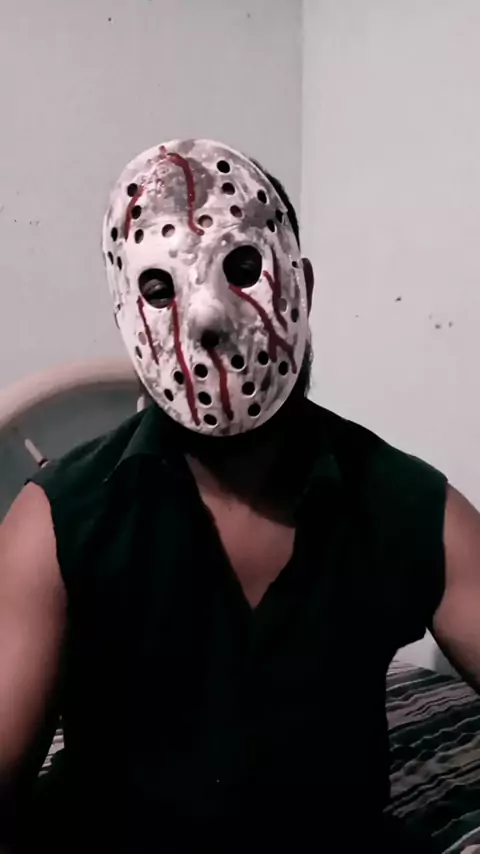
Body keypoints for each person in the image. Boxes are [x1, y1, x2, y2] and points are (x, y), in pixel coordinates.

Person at [0, 138, 479, 853]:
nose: (207, 317)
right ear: (128, 316)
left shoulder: (412, 507)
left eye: (243, 268)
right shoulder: (56, 522)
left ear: (302, 285)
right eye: (159, 288)